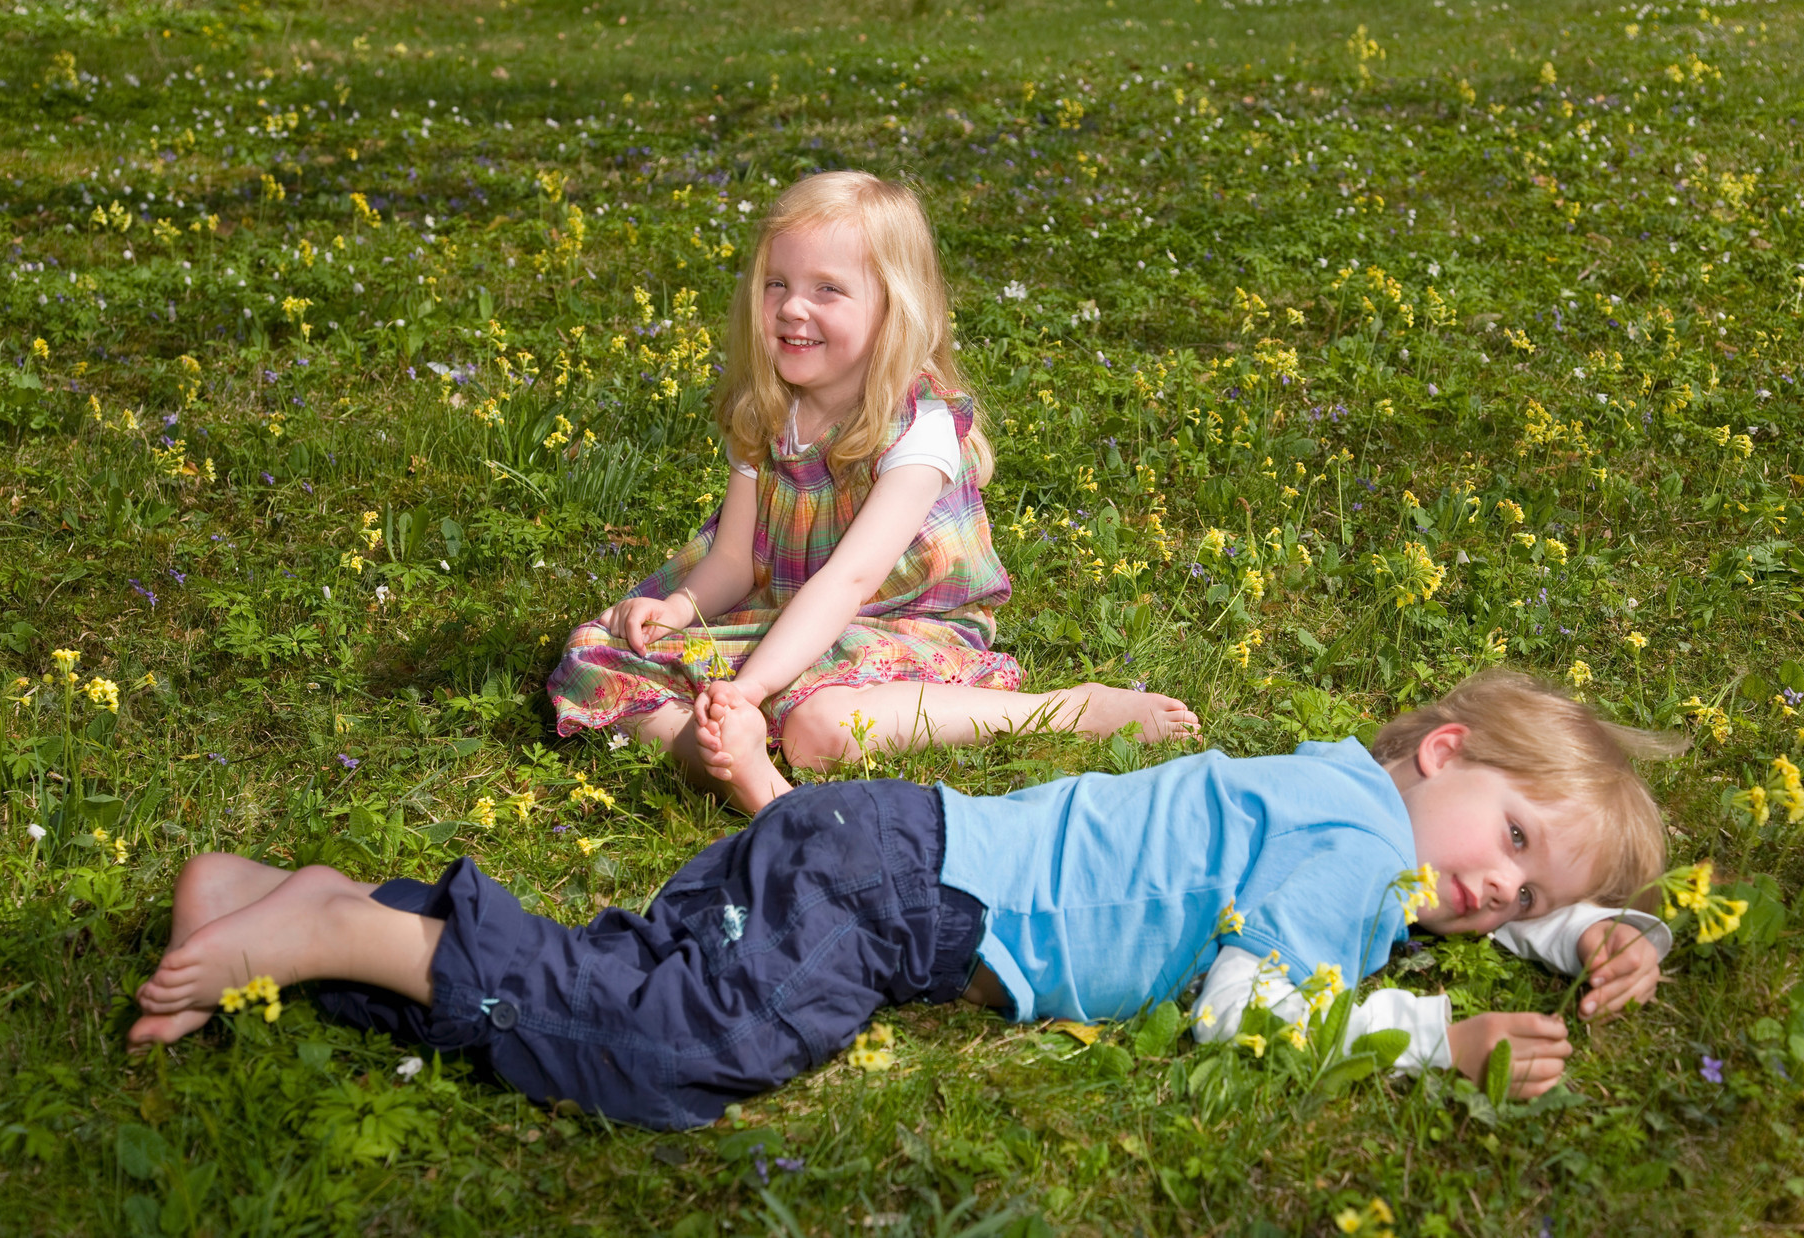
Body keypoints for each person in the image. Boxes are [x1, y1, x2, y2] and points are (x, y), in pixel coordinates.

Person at [127, 671, 1678, 1129]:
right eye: (1519, 837)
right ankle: (370, 935)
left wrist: (1593, 931)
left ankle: (292, 907)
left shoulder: (1352, 791)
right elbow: (1251, 1006)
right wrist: (1434, 1039)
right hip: (900, 906)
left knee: (644, 973)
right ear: (1450, 751)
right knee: (680, 1051)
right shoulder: (1352, 862)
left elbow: (1438, 883)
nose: (1493, 886)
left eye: (1526, 891)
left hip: (879, 844)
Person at [546, 171, 1196, 815]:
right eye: (778, 283)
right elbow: (734, 560)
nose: (793, 307)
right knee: (592, 653)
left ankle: (1066, 712)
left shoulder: (919, 425)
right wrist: (682, 607)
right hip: (791, 623)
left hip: (909, 631)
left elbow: (850, 582)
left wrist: (749, 687)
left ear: (893, 306)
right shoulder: (767, 412)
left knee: (821, 727)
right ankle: (731, 756)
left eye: (828, 289)